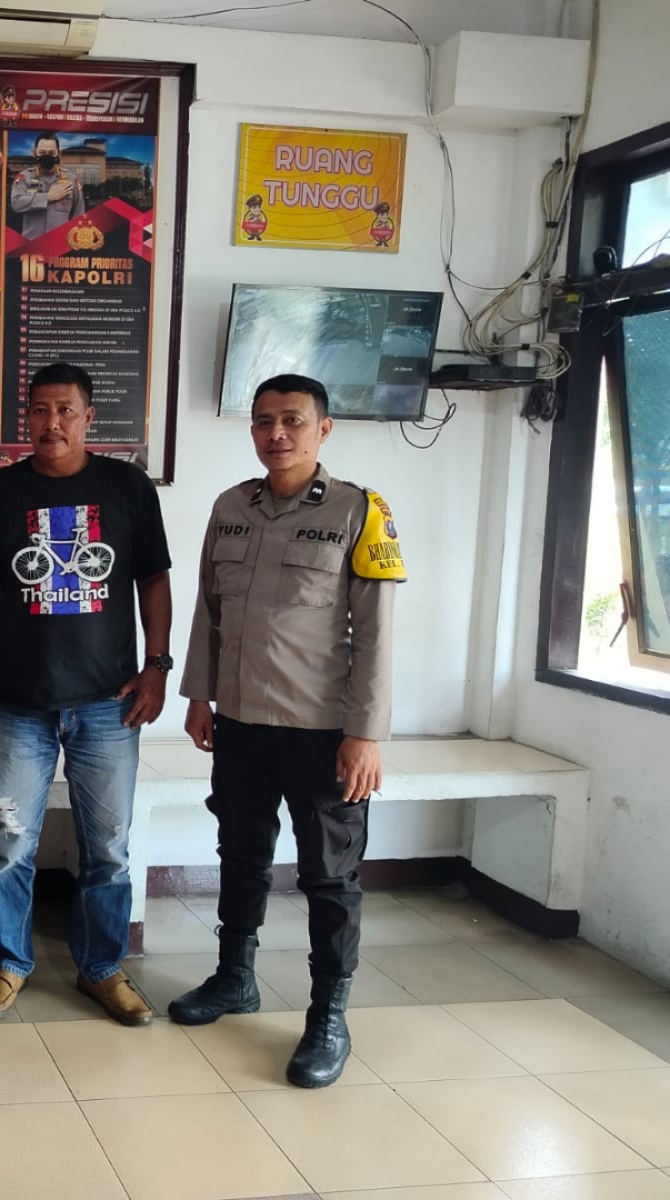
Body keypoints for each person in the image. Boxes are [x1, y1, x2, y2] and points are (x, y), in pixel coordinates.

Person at [173, 373, 404, 1088]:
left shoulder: (359, 511)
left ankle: (328, 1016)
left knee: (329, 876)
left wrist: (366, 734)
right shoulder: (230, 507)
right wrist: (201, 695)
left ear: (323, 429)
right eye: (264, 421)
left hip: (322, 731)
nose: (276, 433)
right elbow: (209, 609)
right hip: (241, 723)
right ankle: (234, 977)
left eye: (293, 420)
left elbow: (377, 634)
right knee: (240, 853)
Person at [0, 361, 173, 1025]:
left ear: (88, 417)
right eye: (40, 410)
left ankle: (102, 967)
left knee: (108, 847)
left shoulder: (128, 487)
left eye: (66, 410)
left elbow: (154, 582)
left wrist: (158, 666)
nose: (52, 423)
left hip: (110, 702)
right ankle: (8, 962)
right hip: (18, 704)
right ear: (26, 417)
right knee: (10, 843)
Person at [10, 133, 84, 241]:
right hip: (32, 246)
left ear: (59, 154)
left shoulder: (71, 180)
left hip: (61, 245)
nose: (47, 156)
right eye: (42, 152)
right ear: (34, 153)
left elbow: (78, 216)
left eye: (51, 153)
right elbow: (16, 203)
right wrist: (47, 197)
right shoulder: (24, 178)